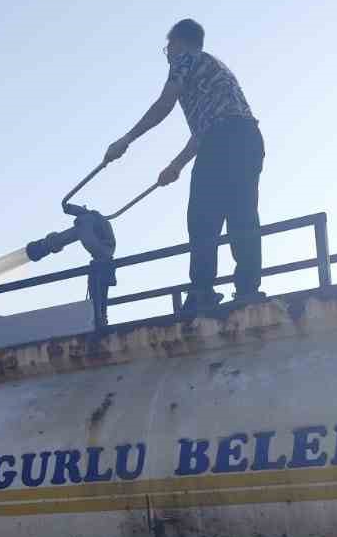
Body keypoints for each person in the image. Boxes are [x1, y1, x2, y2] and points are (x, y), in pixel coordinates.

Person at [104, 19, 265, 316]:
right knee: (241, 213)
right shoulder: (214, 67)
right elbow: (209, 127)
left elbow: (164, 105)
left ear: (179, 42)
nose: (168, 52)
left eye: (169, 46)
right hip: (247, 139)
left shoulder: (185, 59)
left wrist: (126, 139)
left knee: (203, 218)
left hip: (223, 141)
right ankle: (248, 289)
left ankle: (202, 291)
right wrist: (175, 165)